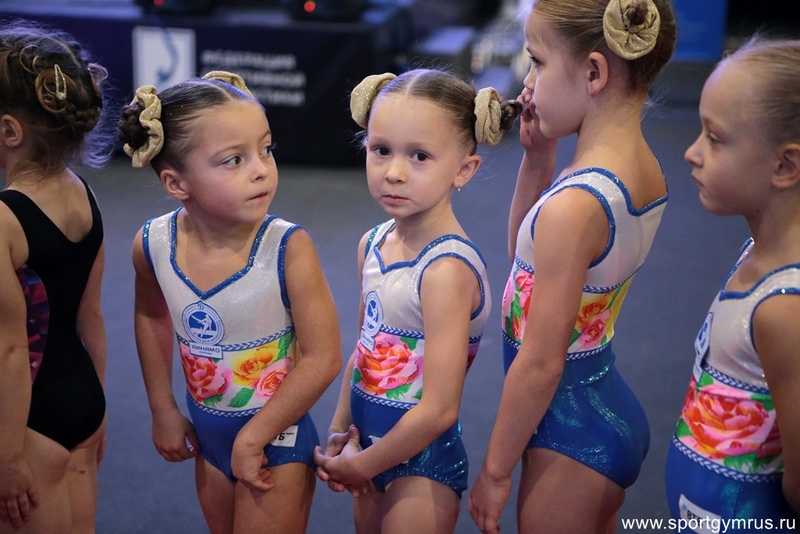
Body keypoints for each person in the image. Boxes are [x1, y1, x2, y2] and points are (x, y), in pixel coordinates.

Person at [467, 0, 677, 532]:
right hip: (599, 396)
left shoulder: (577, 205)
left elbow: (540, 364)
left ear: (594, 73)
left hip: (568, 432)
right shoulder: (638, 168)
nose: (527, 83)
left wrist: (495, 471)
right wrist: (538, 160)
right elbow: (528, 262)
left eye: (537, 62)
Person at [119, 71, 342, 534]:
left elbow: (324, 357)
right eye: (234, 160)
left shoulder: (287, 247)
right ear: (177, 183)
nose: (261, 169)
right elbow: (151, 315)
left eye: (266, 149)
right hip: (210, 441)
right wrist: (162, 407)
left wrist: (254, 437)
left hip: (276, 441)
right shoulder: (153, 245)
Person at [312, 69, 520, 534]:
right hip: (365, 446)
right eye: (381, 150)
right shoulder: (372, 244)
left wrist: (363, 465)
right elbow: (365, 348)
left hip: (421, 467)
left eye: (419, 156)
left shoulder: (446, 270)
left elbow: (440, 408)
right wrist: (340, 427)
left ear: (464, 169)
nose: (394, 172)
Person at [665, 37, 800, 532]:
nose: (691, 153)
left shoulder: (784, 309)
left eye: (715, 139)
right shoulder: (755, 253)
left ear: (785, 166)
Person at [0, 19, 113, 534]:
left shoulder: (6, 219)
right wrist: (100, 404)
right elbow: (92, 314)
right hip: (82, 393)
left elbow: (10, 350)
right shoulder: (82, 192)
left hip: (28, 419)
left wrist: (6, 458)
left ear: (10, 130)